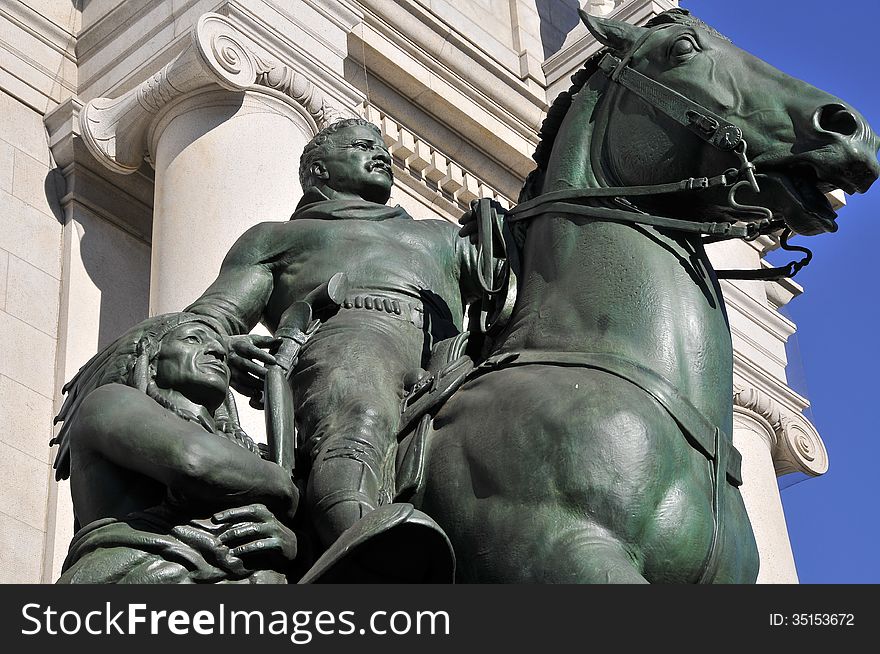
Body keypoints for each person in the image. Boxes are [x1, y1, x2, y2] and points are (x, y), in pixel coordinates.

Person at [186, 117, 509, 552]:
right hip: (347, 341)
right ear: (319, 170)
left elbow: (523, 277)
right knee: (361, 413)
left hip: (451, 355)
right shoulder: (279, 238)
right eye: (362, 146)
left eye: (384, 150)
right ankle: (358, 536)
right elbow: (210, 320)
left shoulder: (443, 235)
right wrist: (225, 347)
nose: (381, 155)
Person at [51, 313, 300, 583]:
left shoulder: (250, 457)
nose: (217, 350)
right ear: (150, 356)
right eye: (193, 338)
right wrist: (287, 488)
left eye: (223, 353)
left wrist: (291, 542)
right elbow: (195, 461)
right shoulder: (107, 402)